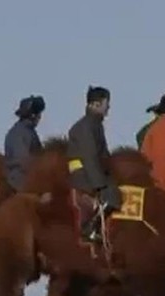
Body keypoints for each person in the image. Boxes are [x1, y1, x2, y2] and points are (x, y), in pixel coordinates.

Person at [66, 86, 122, 244]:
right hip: (84, 176)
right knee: (112, 197)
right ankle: (90, 228)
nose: (108, 107)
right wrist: (99, 185)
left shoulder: (94, 124)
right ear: (96, 104)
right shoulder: (85, 127)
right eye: (106, 103)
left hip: (92, 172)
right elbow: (90, 157)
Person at [3, 95, 45, 191]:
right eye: (39, 114)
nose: (40, 117)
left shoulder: (26, 131)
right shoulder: (21, 133)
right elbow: (23, 161)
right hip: (20, 182)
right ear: (33, 115)